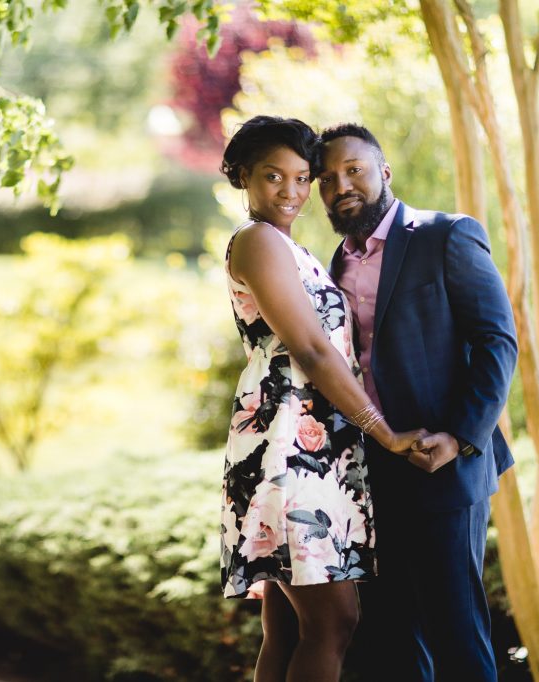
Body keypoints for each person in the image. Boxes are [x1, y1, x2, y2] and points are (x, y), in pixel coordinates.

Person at [219, 115, 430, 682]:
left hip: (314, 446)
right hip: (289, 446)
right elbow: (312, 350)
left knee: (289, 628)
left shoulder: (292, 247)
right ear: (242, 177)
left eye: (301, 178)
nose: (290, 191)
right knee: (334, 622)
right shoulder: (259, 241)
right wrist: (384, 432)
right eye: (272, 177)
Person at [317, 122, 518, 681]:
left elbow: (497, 340)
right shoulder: (332, 265)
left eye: (354, 170)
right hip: (371, 469)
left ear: (383, 171)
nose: (341, 185)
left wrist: (459, 436)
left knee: (458, 632)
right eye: (327, 179)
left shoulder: (446, 234)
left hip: (444, 461)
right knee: (394, 642)